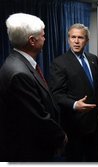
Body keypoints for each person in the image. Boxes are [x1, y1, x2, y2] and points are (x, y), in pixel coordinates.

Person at [0, 13, 67, 162]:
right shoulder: (19, 73)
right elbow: (37, 118)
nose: (45, 38)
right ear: (32, 40)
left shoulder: (17, 62)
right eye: (42, 36)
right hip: (29, 151)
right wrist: (60, 136)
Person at [48, 23, 98, 162]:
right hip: (74, 125)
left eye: (80, 37)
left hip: (95, 124)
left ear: (86, 40)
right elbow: (56, 94)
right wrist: (75, 104)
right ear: (68, 39)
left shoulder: (93, 59)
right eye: (73, 37)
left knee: (96, 158)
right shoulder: (59, 62)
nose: (76, 41)